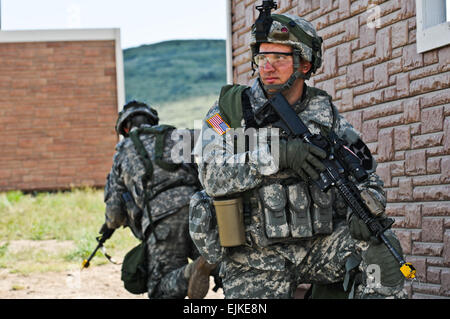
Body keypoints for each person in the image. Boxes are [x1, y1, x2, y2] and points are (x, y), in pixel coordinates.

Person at [189, 9, 408, 299]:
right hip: (255, 259)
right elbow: (210, 175)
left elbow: (365, 170)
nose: (267, 66)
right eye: (262, 57)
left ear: (304, 64)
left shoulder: (325, 114)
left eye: (279, 58)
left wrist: (370, 204)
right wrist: (277, 155)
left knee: (382, 247)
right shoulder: (228, 113)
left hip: (317, 247)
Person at [102, 100, 217, 299]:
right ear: (152, 121)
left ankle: (189, 272)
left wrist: (109, 226)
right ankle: (219, 268)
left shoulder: (123, 151)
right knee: (223, 265)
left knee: (160, 288)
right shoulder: (177, 135)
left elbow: (114, 214)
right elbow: (212, 145)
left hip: (162, 221)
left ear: (126, 128)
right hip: (200, 210)